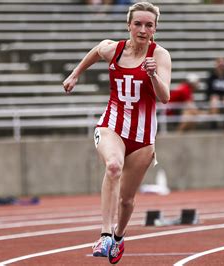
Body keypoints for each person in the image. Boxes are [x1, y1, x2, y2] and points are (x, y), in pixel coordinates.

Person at [62, 2, 171, 264]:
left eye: (148, 25)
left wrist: (153, 76)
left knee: (127, 200)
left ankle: (119, 237)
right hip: (112, 125)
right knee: (113, 167)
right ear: (128, 25)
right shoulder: (115, 49)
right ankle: (104, 234)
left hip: (143, 137)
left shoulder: (160, 56)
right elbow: (97, 50)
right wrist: (75, 75)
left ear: (155, 28)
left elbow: (164, 97)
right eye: (138, 24)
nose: (142, 30)